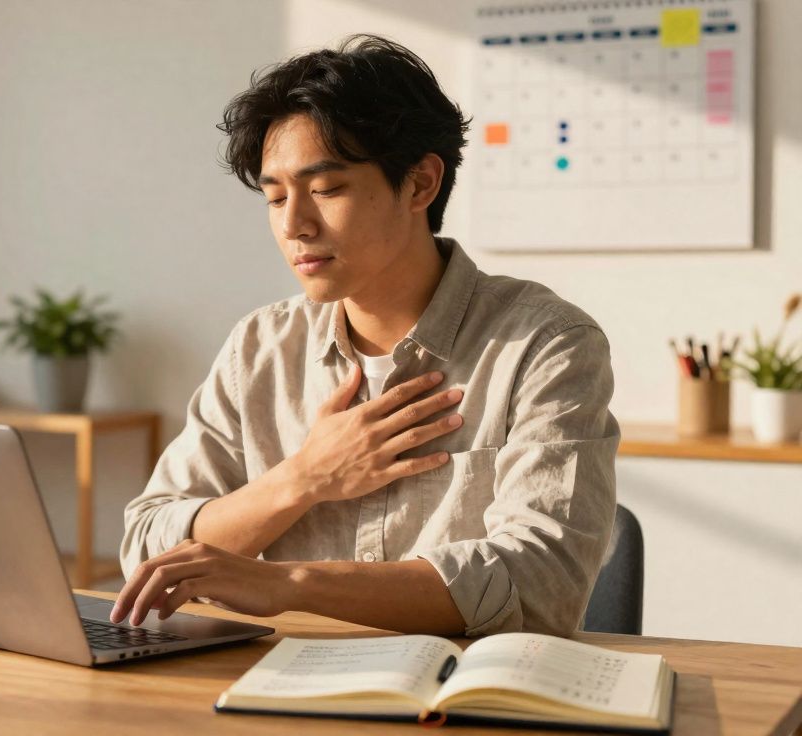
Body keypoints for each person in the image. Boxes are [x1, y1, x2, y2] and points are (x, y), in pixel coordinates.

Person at [111, 34, 620, 638]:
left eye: (326, 190)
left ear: (420, 184)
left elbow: (541, 582)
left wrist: (289, 585)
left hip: (462, 700)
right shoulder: (260, 349)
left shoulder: (545, 343)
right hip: (279, 689)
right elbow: (146, 549)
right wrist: (302, 480)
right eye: (275, 197)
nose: (294, 225)